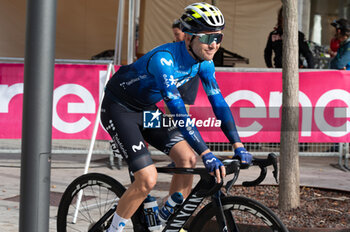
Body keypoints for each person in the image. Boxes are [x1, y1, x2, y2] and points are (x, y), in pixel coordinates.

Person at [101, 3, 253, 232]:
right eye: (206, 37)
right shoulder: (164, 60)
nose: (213, 44)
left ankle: (165, 221)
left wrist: (238, 144)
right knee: (147, 179)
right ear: (189, 37)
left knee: (187, 160)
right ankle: (113, 229)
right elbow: (178, 111)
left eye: (218, 37)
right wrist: (207, 152)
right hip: (120, 110)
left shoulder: (204, 63)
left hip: (146, 111)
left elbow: (219, 103)